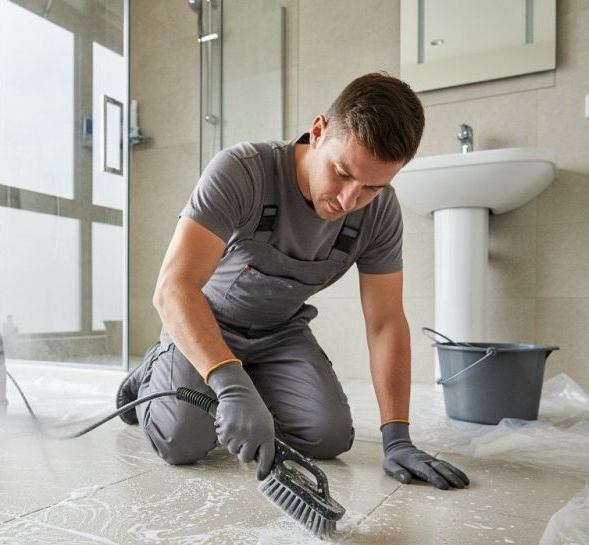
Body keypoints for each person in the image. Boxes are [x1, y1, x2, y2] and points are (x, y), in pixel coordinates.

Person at [118, 72, 469, 491]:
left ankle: (242, 382)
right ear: (318, 131)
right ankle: (155, 370)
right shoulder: (243, 172)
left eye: (372, 188)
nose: (348, 201)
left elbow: (386, 322)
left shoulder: (379, 213)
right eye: (341, 173)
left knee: (329, 435)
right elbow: (173, 287)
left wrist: (398, 436)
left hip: (280, 334)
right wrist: (227, 382)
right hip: (207, 322)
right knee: (183, 441)